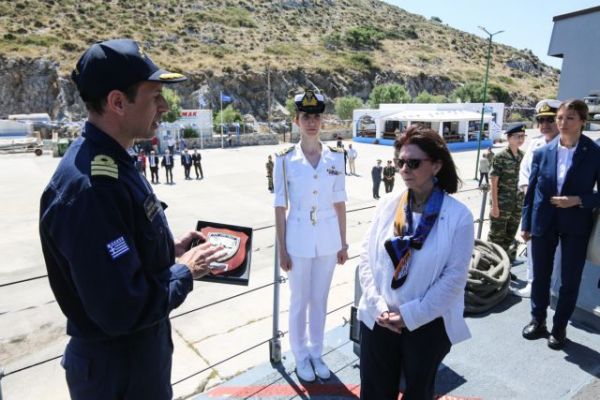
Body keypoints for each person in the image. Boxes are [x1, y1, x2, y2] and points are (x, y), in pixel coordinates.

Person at [38, 39, 227, 400]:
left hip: (137, 360)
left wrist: (169, 251)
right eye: (155, 96)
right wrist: (185, 270)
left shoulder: (114, 161)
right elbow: (123, 308)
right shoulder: (89, 190)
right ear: (117, 102)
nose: (164, 106)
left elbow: (122, 252)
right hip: (116, 373)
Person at [357, 125, 473, 400]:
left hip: (427, 324)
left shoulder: (459, 216)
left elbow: (454, 278)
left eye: (413, 163)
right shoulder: (387, 204)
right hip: (380, 319)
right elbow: (366, 258)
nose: (404, 169)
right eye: (401, 162)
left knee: (418, 392)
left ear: (436, 165)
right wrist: (378, 307)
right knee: (374, 391)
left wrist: (410, 317)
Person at [274, 90, 348, 382]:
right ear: (296, 121)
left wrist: (343, 242)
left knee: (319, 299)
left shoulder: (336, 158)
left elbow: (340, 201)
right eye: (306, 117)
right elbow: (280, 206)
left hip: (328, 239)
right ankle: (300, 355)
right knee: (299, 301)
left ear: (322, 120)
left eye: (316, 116)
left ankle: (316, 352)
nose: (312, 122)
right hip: (298, 239)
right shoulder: (284, 160)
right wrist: (282, 249)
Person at [521, 99, 600, 350]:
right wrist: (526, 224)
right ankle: (538, 320)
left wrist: (578, 200)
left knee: (569, 280)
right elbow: (532, 192)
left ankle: (559, 328)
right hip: (543, 222)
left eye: (570, 118)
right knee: (540, 276)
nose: (562, 123)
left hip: (576, 224)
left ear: (582, 122)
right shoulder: (542, 152)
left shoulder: (594, 153)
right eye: (560, 118)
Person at [515, 99, 561, 298]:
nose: (544, 124)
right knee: (532, 244)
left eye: (550, 119)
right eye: (541, 120)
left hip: (559, 207)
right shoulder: (536, 144)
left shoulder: (568, 144)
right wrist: (527, 189)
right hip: (535, 205)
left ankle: (552, 287)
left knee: (557, 250)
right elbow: (524, 170)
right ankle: (532, 283)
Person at [488, 124, 526, 263]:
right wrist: (494, 206)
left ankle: (505, 264)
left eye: (522, 136)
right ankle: (491, 265)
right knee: (496, 236)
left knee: (510, 235)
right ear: (509, 138)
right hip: (502, 204)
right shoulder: (500, 157)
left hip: (517, 204)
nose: (520, 139)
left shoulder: (523, 156)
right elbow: (494, 182)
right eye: (517, 136)